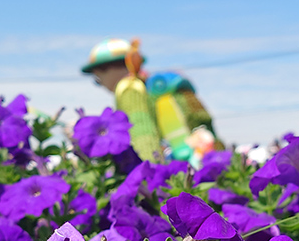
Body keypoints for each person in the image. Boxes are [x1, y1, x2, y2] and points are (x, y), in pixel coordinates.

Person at [81, 38, 218, 163]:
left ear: (108, 69)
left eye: (98, 79)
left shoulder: (129, 88)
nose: (102, 85)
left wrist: (148, 171)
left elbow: (142, 133)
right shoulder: (147, 87)